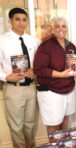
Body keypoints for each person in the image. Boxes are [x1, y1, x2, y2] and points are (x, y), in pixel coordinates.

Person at [33, 17, 76, 134]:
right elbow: (39, 70)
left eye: (63, 26)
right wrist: (61, 75)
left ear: (67, 29)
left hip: (68, 89)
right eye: (57, 26)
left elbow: (75, 67)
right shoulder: (45, 46)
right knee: (53, 124)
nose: (61, 29)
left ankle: (64, 144)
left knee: (65, 119)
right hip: (51, 92)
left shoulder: (71, 46)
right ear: (52, 29)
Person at [0, 8, 39, 148]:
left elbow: (38, 64)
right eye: (17, 19)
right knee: (16, 126)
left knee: (30, 123)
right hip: (13, 88)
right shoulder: (2, 40)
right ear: (10, 20)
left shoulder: (33, 41)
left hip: (31, 87)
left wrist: (34, 70)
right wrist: (6, 76)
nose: (21, 23)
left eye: (24, 19)